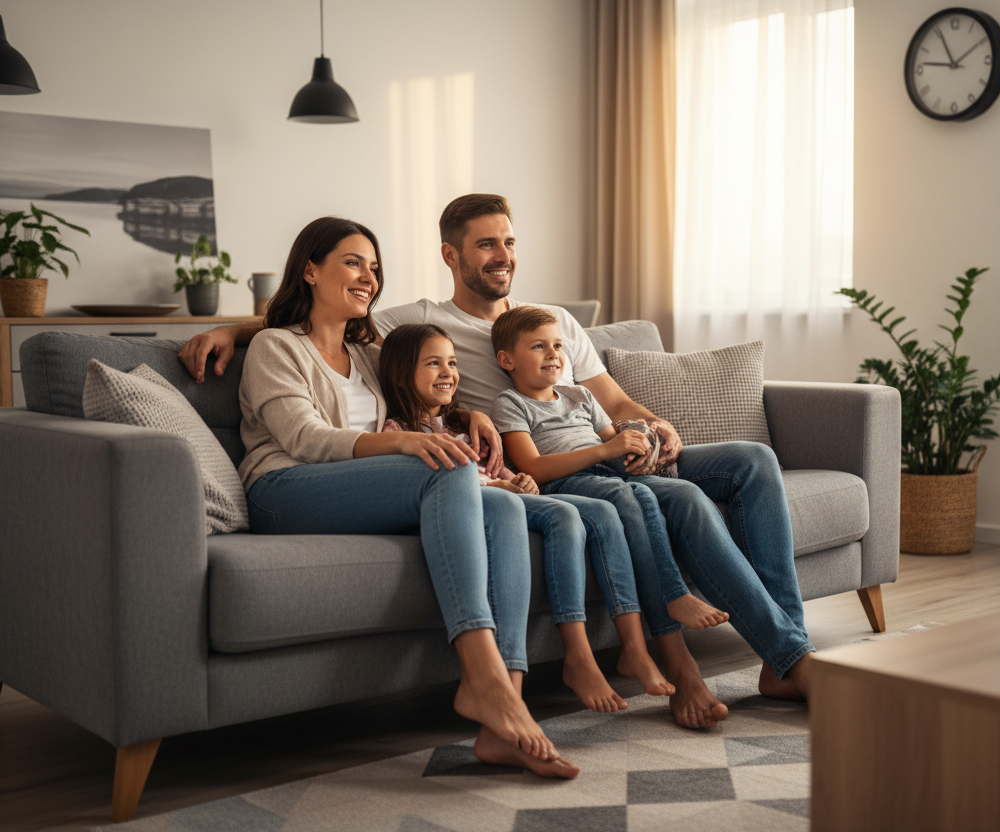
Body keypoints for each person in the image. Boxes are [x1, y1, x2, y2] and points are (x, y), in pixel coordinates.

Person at [179, 194, 816, 728]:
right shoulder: (413, 323)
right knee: (642, 500)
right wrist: (231, 330)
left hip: (599, 448)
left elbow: (611, 399)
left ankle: (785, 656)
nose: (502, 256)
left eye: (508, 243)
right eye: (486, 245)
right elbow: (308, 346)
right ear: (451, 256)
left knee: (753, 460)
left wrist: (651, 423)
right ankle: (756, 660)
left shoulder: (533, 324)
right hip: (546, 466)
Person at [236, 216, 577, 778]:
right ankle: (483, 679)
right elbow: (306, 439)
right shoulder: (276, 347)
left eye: (374, 267)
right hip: (284, 492)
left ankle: (504, 712)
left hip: (357, 493)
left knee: (504, 504)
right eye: (353, 262)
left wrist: (470, 412)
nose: (369, 276)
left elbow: (420, 395)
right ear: (310, 269)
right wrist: (409, 442)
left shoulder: (368, 352)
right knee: (443, 467)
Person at [377, 322, 675, 713]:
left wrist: (516, 479)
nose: (449, 372)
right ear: (401, 375)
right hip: (467, 504)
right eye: (434, 364)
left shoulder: (464, 425)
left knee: (593, 513)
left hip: (505, 495)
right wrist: (501, 488)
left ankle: (608, 649)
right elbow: (426, 484)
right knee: (567, 515)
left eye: (452, 362)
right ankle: (579, 657)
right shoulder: (397, 431)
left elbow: (497, 468)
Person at [488, 304, 731, 651]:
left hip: (607, 473)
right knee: (624, 495)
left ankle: (675, 596)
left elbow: (609, 436)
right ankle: (672, 593)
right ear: (506, 359)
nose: (553, 354)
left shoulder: (580, 394)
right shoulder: (510, 404)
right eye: (538, 346)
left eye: (558, 345)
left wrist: (636, 444)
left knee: (646, 495)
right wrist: (606, 451)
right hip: (566, 481)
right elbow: (535, 468)